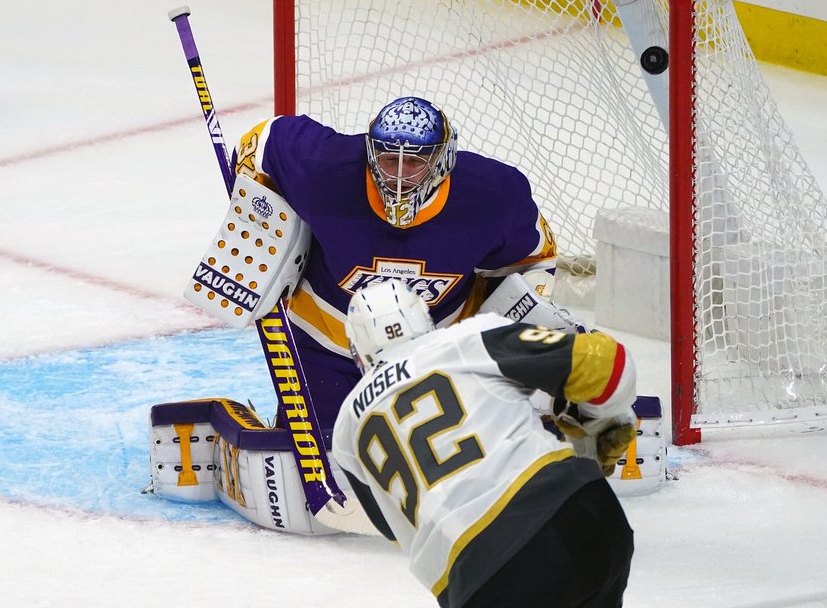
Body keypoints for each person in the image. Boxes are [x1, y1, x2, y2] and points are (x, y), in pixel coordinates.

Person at [232, 96, 559, 437]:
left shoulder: (492, 194)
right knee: (319, 451)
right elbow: (261, 142)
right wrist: (261, 220)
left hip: (440, 351)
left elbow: (533, 261)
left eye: (415, 162)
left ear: (442, 159)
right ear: (371, 152)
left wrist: (511, 341)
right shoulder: (324, 167)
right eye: (389, 160)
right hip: (326, 342)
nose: (399, 176)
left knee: (453, 455)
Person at [333, 279, 636, 608]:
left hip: (489, 573)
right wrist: (596, 424)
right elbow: (609, 364)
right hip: (586, 515)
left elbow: (392, 528)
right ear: (425, 319)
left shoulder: (347, 427)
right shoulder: (467, 337)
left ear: (357, 350)